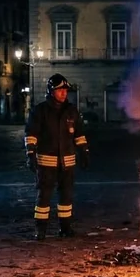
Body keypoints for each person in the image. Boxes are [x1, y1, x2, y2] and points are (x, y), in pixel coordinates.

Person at [24, 74, 90, 240]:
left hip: (67, 163)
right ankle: (41, 230)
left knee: (66, 197)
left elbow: (79, 134)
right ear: (51, 91)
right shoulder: (40, 111)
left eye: (65, 90)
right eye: (60, 90)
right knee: (43, 198)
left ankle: (65, 228)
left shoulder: (71, 111)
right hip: (46, 163)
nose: (64, 93)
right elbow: (31, 134)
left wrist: (84, 151)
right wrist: (30, 154)